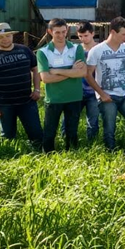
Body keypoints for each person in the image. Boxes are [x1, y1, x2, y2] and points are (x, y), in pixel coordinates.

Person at [0, 22, 43, 150]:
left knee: (36, 134)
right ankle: (9, 158)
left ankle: (40, 155)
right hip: (4, 104)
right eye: (1, 37)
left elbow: (35, 70)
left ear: (12, 36)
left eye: (8, 36)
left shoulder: (25, 50)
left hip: (27, 101)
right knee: (8, 136)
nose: (5, 39)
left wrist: (37, 89)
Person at [86, 16, 125, 154]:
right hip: (107, 96)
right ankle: (111, 155)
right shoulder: (97, 50)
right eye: (123, 34)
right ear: (112, 32)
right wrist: (101, 93)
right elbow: (88, 74)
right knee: (109, 130)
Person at [37, 18, 87, 152]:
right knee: (49, 132)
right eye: (57, 32)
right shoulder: (43, 52)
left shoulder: (76, 48)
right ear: (49, 31)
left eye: (63, 32)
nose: (60, 35)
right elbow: (46, 78)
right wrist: (72, 71)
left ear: (67, 31)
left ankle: (73, 156)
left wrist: (58, 71)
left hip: (74, 97)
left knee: (72, 131)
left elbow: (82, 72)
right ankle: (47, 157)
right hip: (54, 98)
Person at [75, 21, 100, 140]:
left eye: (86, 35)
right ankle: (67, 140)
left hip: (94, 91)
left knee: (93, 120)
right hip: (77, 90)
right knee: (70, 118)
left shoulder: (99, 49)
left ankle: (92, 143)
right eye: (80, 36)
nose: (83, 39)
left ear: (92, 34)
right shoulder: (76, 50)